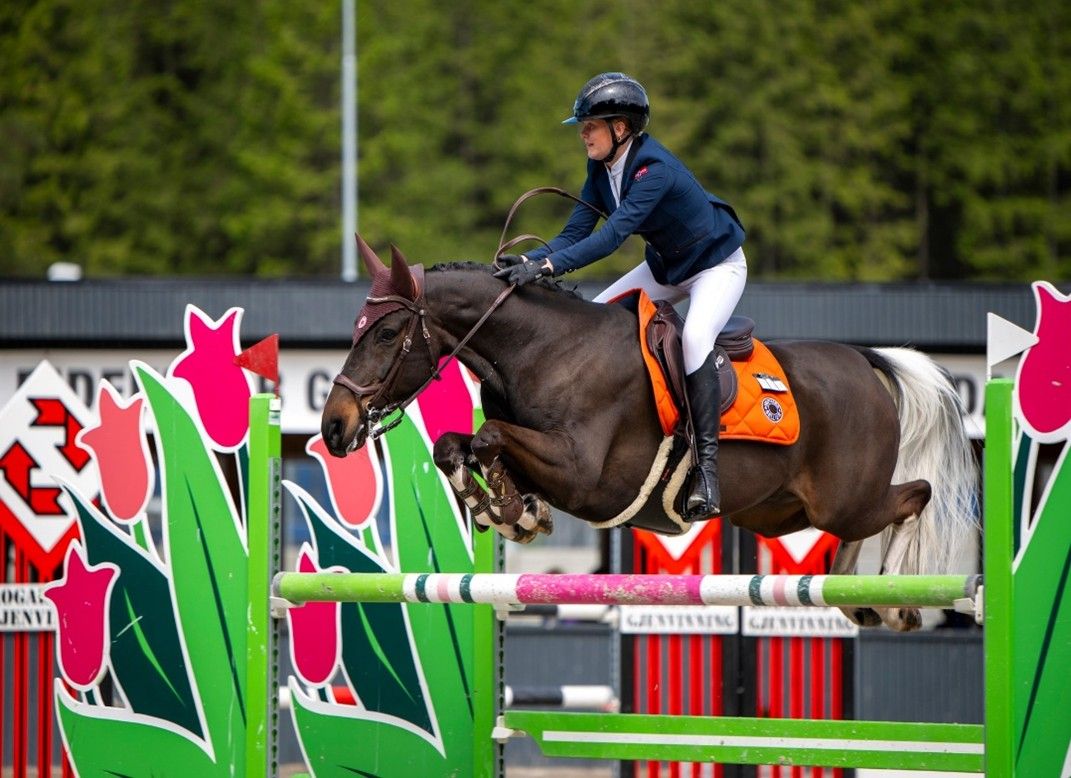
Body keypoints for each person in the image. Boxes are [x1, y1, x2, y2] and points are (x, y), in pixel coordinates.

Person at [494, 72, 747, 522]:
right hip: (668, 267)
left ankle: (707, 470)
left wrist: (548, 268)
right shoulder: (600, 168)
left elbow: (610, 238)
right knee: (595, 317)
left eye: (590, 126)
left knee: (695, 340)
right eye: (583, 127)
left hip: (716, 267)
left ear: (621, 128)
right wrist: (529, 260)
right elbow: (575, 232)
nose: (583, 134)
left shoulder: (654, 171)